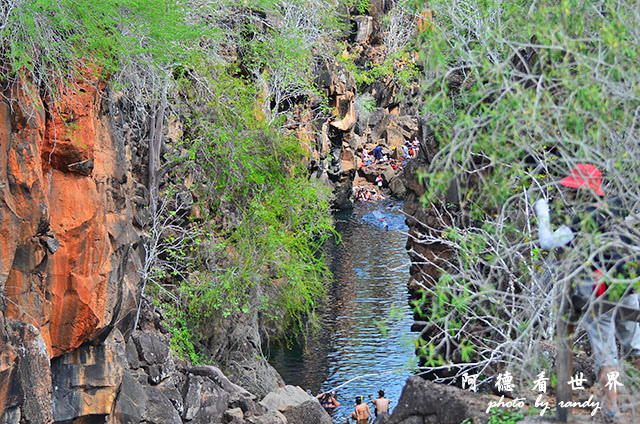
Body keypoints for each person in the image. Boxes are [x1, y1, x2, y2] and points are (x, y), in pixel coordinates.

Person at [534, 163, 640, 422]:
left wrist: (542, 213)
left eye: (572, 190)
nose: (568, 194)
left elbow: (546, 242)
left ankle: (611, 411)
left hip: (598, 293)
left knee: (607, 356)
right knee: (636, 349)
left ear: (580, 192)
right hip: (625, 287)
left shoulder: (580, 220)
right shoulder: (616, 209)